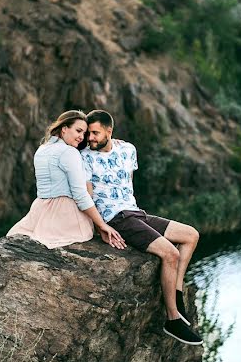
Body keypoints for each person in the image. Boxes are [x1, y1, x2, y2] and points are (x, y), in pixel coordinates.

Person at [81, 110, 203, 345]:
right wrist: (101, 227)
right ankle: (172, 319)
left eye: (95, 133)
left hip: (136, 213)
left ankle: (176, 293)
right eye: (88, 133)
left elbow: (128, 183)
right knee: (170, 253)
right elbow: (87, 197)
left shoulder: (128, 150)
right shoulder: (85, 157)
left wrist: (139, 215)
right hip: (117, 219)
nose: (91, 138)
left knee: (191, 235)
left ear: (109, 131)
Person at [8, 110, 124, 249]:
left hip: (39, 212)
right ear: (64, 129)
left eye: (84, 133)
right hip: (65, 216)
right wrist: (101, 225)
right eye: (78, 131)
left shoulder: (42, 149)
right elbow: (80, 195)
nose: (82, 137)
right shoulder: (69, 152)